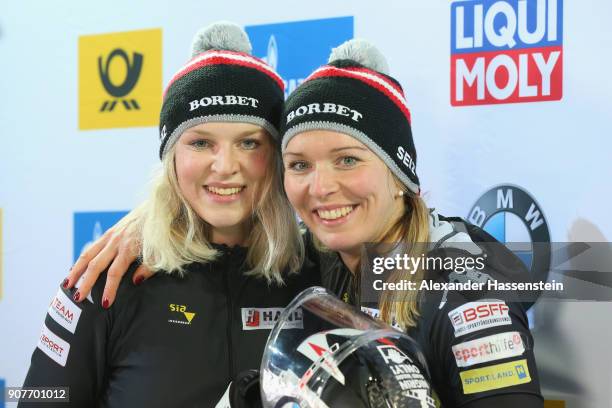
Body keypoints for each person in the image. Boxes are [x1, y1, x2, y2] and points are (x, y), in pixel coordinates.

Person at [65, 39, 544, 407]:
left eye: (347, 159)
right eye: (300, 165)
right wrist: (150, 225)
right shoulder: (327, 261)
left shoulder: (462, 286)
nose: (321, 187)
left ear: (400, 174)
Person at [20, 22, 318, 408]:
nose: (225, 166)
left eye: (249, 143)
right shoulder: (105, 278)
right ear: (172, 157)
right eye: (200, 142)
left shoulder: (313, 275)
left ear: (277, 156)